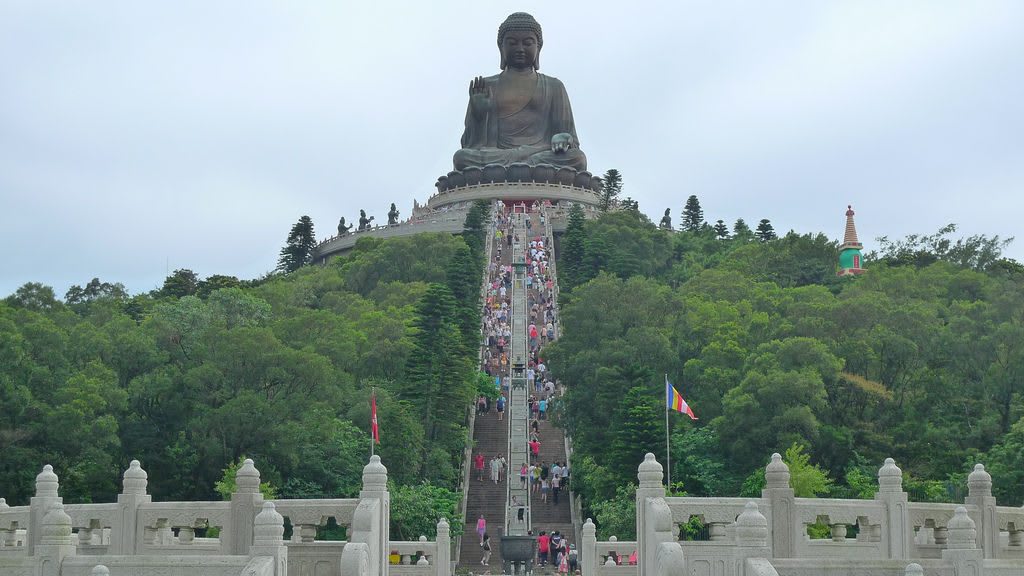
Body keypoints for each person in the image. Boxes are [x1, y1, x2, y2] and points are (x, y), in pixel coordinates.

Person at [452, 13, 587, 171]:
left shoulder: (553, 86)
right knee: (461, 158)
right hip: (497, 156)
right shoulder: (486, 86)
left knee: (578, 158)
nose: (520, 49)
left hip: (540, 153)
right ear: (501, 47)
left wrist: (564, 137)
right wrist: (479, 116)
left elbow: (570, 139)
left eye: (528, 43)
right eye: (512, 43)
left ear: (539, 47)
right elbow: (470, 145)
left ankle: (519, 168)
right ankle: (523, 168)